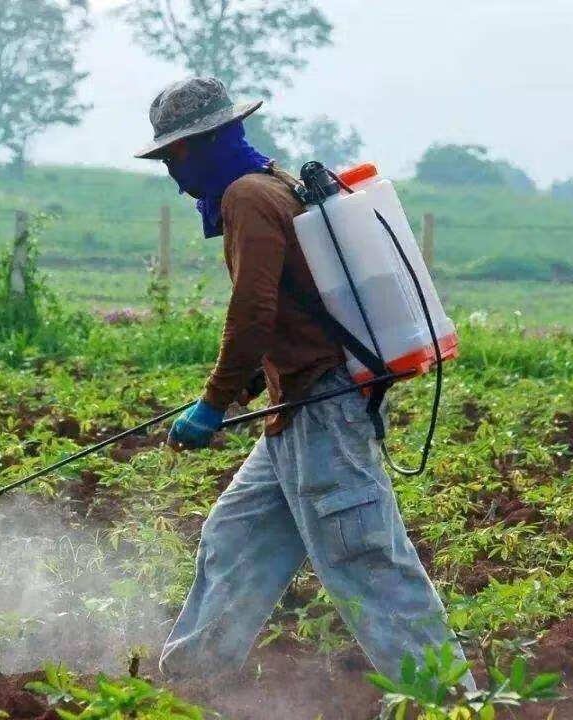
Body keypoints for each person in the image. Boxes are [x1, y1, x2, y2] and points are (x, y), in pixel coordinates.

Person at [134, 76, 475, 691]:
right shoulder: (274, 183)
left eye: (175, 156)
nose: (173, 175)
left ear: (206, 143)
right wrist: (240, 392)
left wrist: (214, 402)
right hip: (297, 407)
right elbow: (291, 309)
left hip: (321, 408)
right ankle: (189, 686)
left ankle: (450, 700)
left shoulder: (245, 197)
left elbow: (255, 309)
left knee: (364, 558)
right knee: (236, 536)